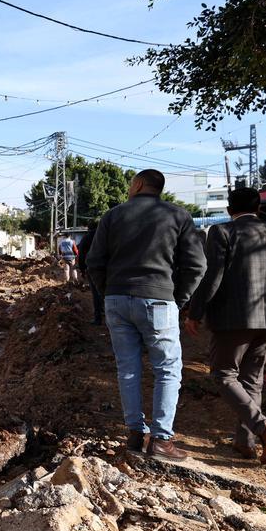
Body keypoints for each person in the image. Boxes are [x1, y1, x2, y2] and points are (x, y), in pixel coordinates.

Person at [87, 169, 207, 461]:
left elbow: (94, 261)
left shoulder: (112, 216)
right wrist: (177, 299)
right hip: (158, 300)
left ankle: (135, 435)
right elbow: (197, 265)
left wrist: (108, 293)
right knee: (167, 368)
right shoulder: (178, 217)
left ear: (138, 184)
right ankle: (161, 440)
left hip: (116, 299)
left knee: (127, 368)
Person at [185, 188, 266, 465]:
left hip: (234, 319)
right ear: (259, 207)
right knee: (252, 380)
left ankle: (264, 429)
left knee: (223, 374)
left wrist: (195, 312)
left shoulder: (222, 233)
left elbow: (212, 277)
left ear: (229, 207)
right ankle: (245, 443)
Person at [77, 221, 103, 325]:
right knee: (106, 292)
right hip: (106, 268)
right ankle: (105, 312)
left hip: (92, 268)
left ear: (88, 227)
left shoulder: (87, 238)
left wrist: (82, 269)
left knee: (96, 293)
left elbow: (82, 254)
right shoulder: (104, 236)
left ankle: (98, 318)